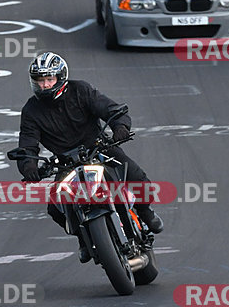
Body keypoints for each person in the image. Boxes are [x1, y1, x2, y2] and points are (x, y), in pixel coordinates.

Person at [14, 51, 163, 263]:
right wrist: (28, 166)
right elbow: (27, 143)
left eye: (49, 79)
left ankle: (146, 213)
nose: (45, 85)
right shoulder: (31, 110)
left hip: (100, 148)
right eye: (40, 80)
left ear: (61, 77)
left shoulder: (80, 90)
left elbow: (111, 109)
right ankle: (83, 240)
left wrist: (120, 127)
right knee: (55, 208)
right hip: (66, 164)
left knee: (138, 179)